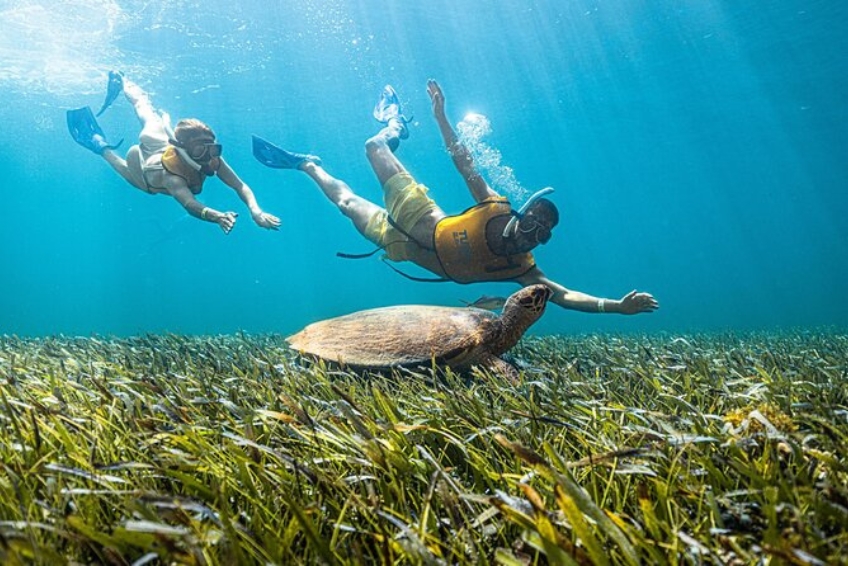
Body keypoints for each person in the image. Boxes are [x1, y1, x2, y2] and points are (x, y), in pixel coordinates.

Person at [252, 80, 658, 315]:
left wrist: (615, 306)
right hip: (417, 211)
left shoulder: (521, 268)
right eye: (533, 219)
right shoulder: (495, 207)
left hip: (401, 246)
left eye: (543, 233)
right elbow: (466, 163)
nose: (533, 232)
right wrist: (440, 117)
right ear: (522, 212)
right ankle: (396, 124)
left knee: (346, 206)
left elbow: (563, 295)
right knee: (373, 146)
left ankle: (308, 165)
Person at [66, 71, 280, 234]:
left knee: (144, 107)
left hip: (157, 140)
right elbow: (190, 204)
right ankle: (100, 146)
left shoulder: (211, 157)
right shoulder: (173, 178)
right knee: (124, 166)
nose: (208, 155)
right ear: (183, 147)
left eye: (212, 148)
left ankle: (123, 81)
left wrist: (256, 211)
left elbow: (240, 186)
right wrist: (216, 216)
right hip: (145, 172)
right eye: (200, 149)